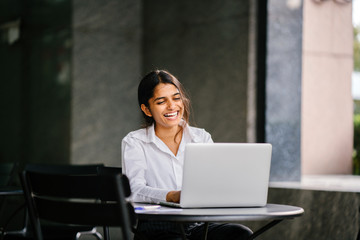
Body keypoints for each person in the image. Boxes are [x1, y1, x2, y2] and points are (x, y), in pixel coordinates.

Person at [121, 70, 252, 240]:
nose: (172, 106)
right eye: (161, 101)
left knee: (241, 234)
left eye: (176, 98)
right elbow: (133, 191)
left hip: (198, 225)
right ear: (147, 109)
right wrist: (172, 195)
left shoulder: (201, 138)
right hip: (157, 228)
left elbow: (214, 181)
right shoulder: (135, 142)